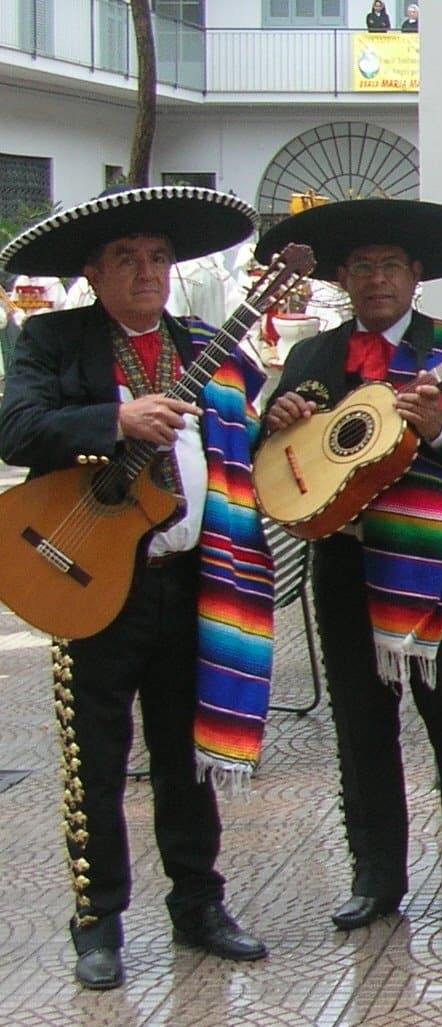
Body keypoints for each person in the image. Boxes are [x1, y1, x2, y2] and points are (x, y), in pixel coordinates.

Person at [0, 185, 273, 990]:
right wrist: (113, 422)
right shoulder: (55, 338)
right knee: (98, 755)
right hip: (88, 577)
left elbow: (247, 437)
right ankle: (99, 921)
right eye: (126, 258)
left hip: (191, 578)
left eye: (157, 257)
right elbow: (14, 428)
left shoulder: (207, 346)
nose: (146, 272)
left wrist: (280, 410)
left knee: (187, 754)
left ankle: (198, 903)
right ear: (92, 270)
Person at [256, 199, 442, 936]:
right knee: (360, 723)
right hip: (344, 562)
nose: (378, 279)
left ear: (416, 276)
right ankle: (376, 878)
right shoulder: (315, 356)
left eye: (392, 266)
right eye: (364, 266)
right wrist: (272, 424)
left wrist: (438, 427)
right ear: (343, 277)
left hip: (440, 562)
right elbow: (271, 456)